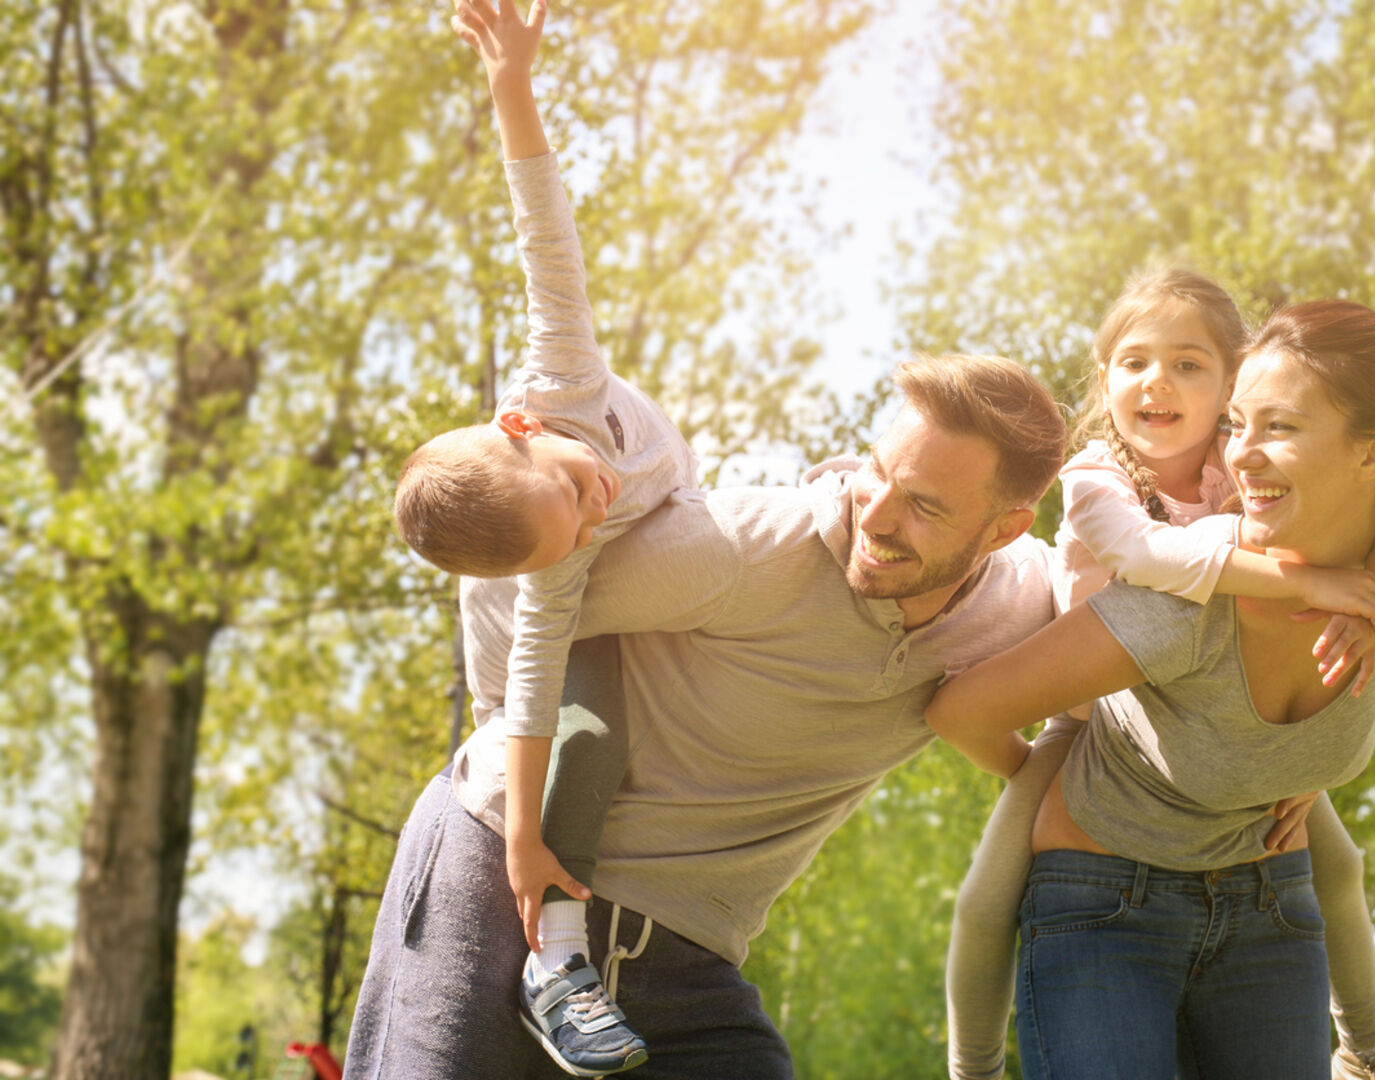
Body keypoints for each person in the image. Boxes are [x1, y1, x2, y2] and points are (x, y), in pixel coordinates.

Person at [349, 320, 1072, 1079]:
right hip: (502, 875)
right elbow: (519, 581)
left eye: (925, 506)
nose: (879, 516)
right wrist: (515, 745)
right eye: (878, 470)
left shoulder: (1023, 608)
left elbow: (1136, 603)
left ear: (1005, 529)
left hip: (685, 951)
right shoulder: (746, 548)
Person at [927, 299, 1375, 1080]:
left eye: (1276, 427)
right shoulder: (1187, 592)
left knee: (1339, 871)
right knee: (982, 903)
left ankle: (1371, 1056)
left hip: (1270, 899)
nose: (1241, 457)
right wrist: (1038, 775)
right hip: (1107, 899)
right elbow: (960, 710)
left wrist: (1374, 582)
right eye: (1236, 426)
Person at [391, 0, 696, 1071]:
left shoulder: (562, 368)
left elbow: (541, 225)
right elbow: (528, 687)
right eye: (570, 525)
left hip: (544, 581)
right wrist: (523, 842)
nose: (595, 506)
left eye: (573, 489)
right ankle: (555, 963)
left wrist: (511, 82)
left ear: (524, 426)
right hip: (509, 643)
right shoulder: (551, 564)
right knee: (586, 735)